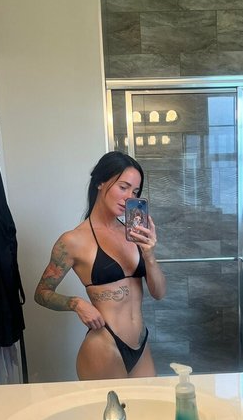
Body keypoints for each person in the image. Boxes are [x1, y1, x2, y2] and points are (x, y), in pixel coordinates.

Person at [34, 151, 166, 380]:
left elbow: (159, 293)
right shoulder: (73, 241)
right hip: (104, 344)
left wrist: (149, 255)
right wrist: (77, 304)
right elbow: (41, 293)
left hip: (140, 343)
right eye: (123, 187)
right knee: (112, 406)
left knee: (149, 404)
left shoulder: (134, 234)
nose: (129, 197)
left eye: (135, 192)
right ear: (100, 182)